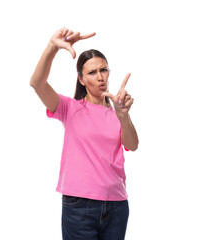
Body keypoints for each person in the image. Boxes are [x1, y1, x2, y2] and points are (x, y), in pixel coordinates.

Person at [30, 27, 139, 240]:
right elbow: (37, 83)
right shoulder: (69, 108)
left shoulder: (117, 111)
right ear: (81, 79)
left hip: (117, 206)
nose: (100, 77)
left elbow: (133, 145)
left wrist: (124, 116)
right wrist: (53, 47)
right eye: (92, 72)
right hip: (79, 206)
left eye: (104, 70)